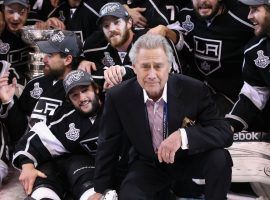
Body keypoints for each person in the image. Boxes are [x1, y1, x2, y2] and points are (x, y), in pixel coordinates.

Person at [89, 34, 233, 200]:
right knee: (129, 195)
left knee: (219, 158)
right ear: (134, 67)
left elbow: (224, 132)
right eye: (145, 67)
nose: (151, 74)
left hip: (188, 158)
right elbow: (108, 144)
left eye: (158, 66)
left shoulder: (194, 89)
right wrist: (100, 189)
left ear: (170, 67)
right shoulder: (118, 96)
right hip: (148, 164)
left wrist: (183, 136)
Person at [12, 70, 107, 200]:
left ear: (96, 89)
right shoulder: (66, 119)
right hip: (74, 167)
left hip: (107, 172)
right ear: (69, 100)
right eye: (75, 95)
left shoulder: (115, 107)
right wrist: (27, 166)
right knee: (47, 174)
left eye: (85, 90)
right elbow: (32, 140)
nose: (82, 98)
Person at [174, 0, 254, 115]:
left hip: (235, 96)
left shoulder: (245, 16)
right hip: (199, 91)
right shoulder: (185, 15)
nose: (203, 1)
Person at [82, 2, 182, 90]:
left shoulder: (151, 39)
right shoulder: (96, 47)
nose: (111, 29)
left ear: (129, 22)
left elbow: (171, 81)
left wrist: (121, 73)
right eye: (106, 26)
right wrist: (82, 61)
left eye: (117, 22)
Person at [226, 0, 270, 134]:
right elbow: (255, 94)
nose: (249, 16)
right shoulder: (256, 51)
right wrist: (229, 126)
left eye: (255, 9)